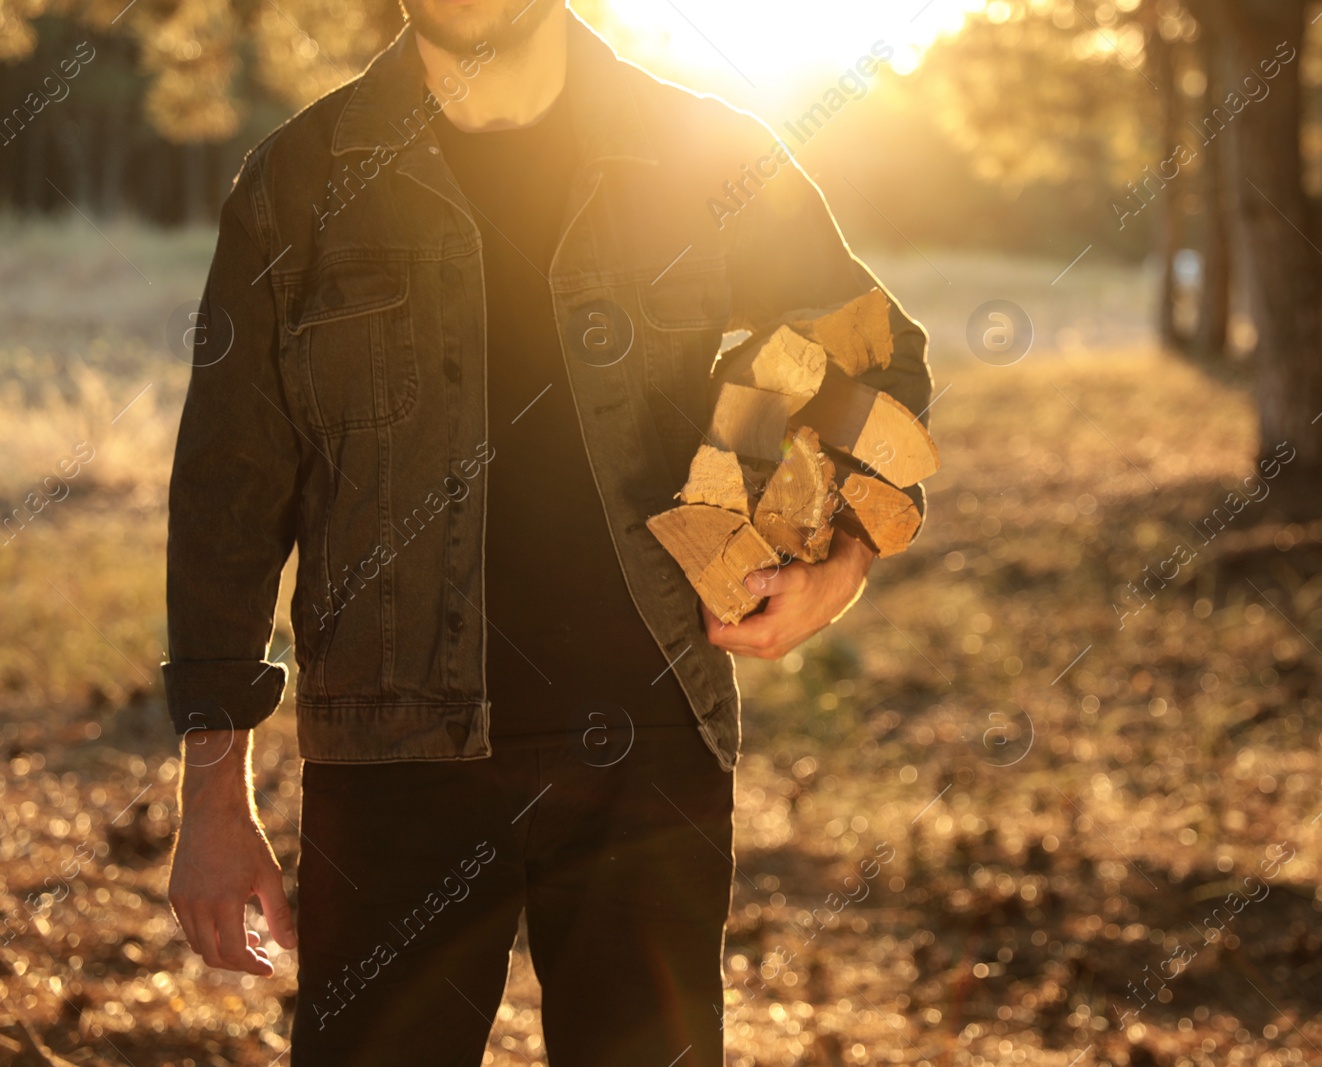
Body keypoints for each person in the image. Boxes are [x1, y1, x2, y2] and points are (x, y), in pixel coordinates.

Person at [161, 1, 933, 1064]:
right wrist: (212, 795)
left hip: (648, 748)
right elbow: (227, 489)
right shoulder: (300, 180)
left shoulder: (700, 150)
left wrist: (839, 563)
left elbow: (870, 349)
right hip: (392, 758)